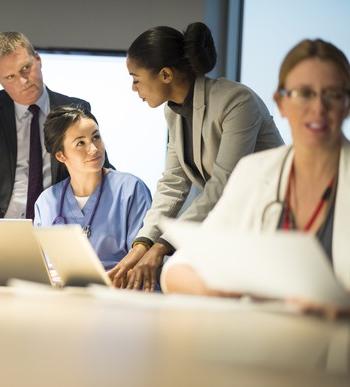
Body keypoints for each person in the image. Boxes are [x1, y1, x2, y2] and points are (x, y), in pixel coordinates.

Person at [161, 39, 350, 317]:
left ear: (347, 104)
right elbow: (178, 269)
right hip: (260, 346)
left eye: (332, 94)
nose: (318, 108)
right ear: (281, 103)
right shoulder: (254, 172)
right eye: (304, 93)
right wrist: (216, 289)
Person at [108, 22, 284, 291]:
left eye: (136, 79)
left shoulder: (237, 101)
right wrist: (142, 244)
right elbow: (173, 183)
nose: (134, 89)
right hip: (231, 223)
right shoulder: (173, 112)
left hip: (270, 223)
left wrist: (163, 246)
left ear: (165, 75)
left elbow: (222, 186)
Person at [0, 31, 112, 220]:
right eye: (10, 77)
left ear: (38, 59)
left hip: (57, 225)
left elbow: (98, 168)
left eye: (26, 68)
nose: (23, 81)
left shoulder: (74, 110)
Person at [34, 105, 152, 270]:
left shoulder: (131, 190)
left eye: (96, 137)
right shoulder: (46, 202)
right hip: (63, 293)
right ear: (61, 155)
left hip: (118, 290)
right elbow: (42, 266)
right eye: (80, 143)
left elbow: (142, 265)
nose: (94, 149)